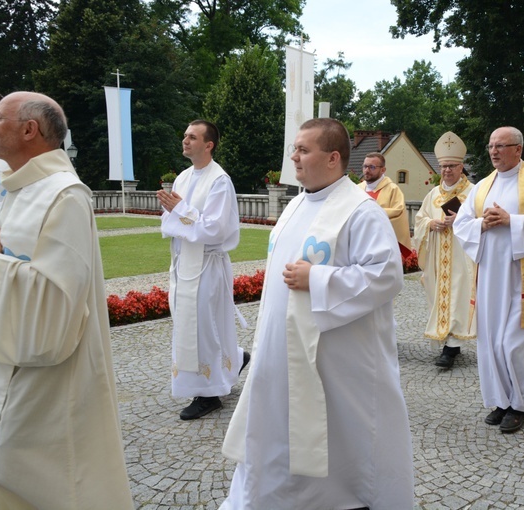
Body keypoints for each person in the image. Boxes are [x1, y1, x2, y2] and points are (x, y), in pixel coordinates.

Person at [220, 118, 413, 509]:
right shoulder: (295, 204)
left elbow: (387, 275)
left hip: (336, 363)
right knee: (275, 435)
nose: (294, 156)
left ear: (333, 158)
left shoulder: (361, 211)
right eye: (295, 148)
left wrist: (319, 279)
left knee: (333, 445)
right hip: (278, 352)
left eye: (303, 150)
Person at [0, 91, 133, 507]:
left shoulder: (65, 195)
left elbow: (56, 307)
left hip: (49, 376)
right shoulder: (20, 190)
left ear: (28, 130)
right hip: (11, 363)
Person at [454, 126, 524, 433]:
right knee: (491, 341)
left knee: (515, 342)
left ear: (518, 149)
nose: (494, 151)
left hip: (520, 276)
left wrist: (510, 220)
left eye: (501, 146)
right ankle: (502, 400)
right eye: (490, 146)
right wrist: (482, 226)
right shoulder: (483, 186)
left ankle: (521, 404)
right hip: (489, 275)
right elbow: (462, 224)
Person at [157, 120, 248, 421]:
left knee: (204, 326)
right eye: (184, 135)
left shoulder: (220, 180)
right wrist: (177, 213)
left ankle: (209, 394)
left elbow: (216, 228)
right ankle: (233, 359)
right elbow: (169, 222)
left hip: (207, 264)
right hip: (184, 262)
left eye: (192, 137)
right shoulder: (183, 177)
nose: (185, 140)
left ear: (208, 145)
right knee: (191, 322)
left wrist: (180, 211)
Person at [413, 131, 477, 369]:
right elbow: (420, 219)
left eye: (451, 166)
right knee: (441, 296)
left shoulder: (473, 194)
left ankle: (451, 347)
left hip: (463, 258)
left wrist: (459, 221)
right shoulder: (433, 195)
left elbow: (482, 222)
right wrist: (431, 224)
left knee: (460, 296)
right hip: (438, 257)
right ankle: (450, 342)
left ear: (461, 167)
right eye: (443, 166)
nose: (447, 170)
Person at [358, 151, 413, 258]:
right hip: (359, 242)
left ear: (383, 170)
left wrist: (371, 214)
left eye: (372, 167)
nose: (367, 170)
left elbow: (398, 212)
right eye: (365, 166)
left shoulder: (393, 189)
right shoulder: (357, 189)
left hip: (382, 245)